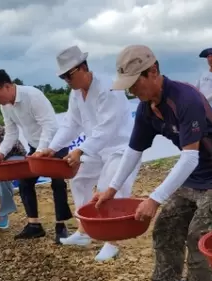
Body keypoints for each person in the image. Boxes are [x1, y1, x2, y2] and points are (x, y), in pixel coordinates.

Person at [96, 44, 212, 281]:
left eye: (134, 84)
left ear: (153, 72)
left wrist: (154, 199)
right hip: (193, 177)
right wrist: (111, 189)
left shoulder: (186, 97)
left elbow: (189, 157)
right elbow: (133, 151)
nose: (131, 92)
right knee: (166, 228)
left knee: (200, 239)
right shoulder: (146, 108)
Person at [36, 45, 138, 262]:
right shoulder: (75, 94)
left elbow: (107, 128)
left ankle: (112, 242)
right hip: (97, 148)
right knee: (79, 179)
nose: (67, 81)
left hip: (121, 147)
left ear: (83, 67)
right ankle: (85, 231)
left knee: (107, 189)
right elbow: (71, 124)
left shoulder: (108, 88)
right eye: (63, 77)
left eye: (69, 75)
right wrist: (51, 148)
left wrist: (80, 150)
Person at [0, 69, 73, 243]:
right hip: (35, 146)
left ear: (7, 86)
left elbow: (49, 125)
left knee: (58, 183)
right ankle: (34, 225)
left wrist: (42, 151)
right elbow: (11, 132)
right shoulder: (5, 106)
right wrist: (1, 153)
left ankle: (61, 225)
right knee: (25, 181)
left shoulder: (33, 96)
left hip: (55, 144)